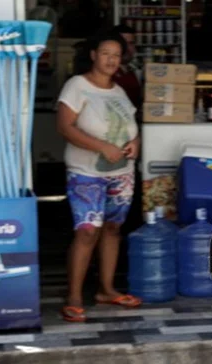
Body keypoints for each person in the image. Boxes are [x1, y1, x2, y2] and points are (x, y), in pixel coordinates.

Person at [57, 31, 142, 323]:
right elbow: (65, 127)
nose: (111, 60)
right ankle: (74, 296)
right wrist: (102, 147)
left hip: (121, 174)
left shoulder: (119, 91)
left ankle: (106, 289)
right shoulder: (77, 86)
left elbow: (133, 128)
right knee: (87, 231)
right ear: (93, 54)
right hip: (86, 173)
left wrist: (135, 145)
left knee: (112, 229)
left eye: (116, 55)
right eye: (106, 53)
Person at [111, 24, 142, 110]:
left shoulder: (132, 71)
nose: (127, 48)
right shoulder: (107, 73)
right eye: (123, 43)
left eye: (131, 43)